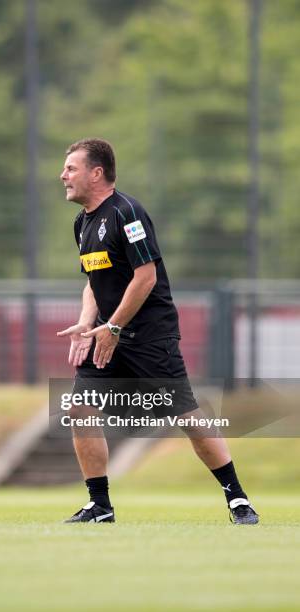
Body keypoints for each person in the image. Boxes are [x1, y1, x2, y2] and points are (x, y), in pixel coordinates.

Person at [57, 138, 259, 525]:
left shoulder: (127, 213)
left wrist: (114, 326)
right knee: (81, 409)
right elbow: (93, 281)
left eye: (71, 168)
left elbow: (145, 277)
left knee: (187, 416)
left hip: (149, 335)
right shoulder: (82, 222)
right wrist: (88, 322)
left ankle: (237, 499)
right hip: (107, 334)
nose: (63, 175)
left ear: (96, 173)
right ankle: (100, 505)